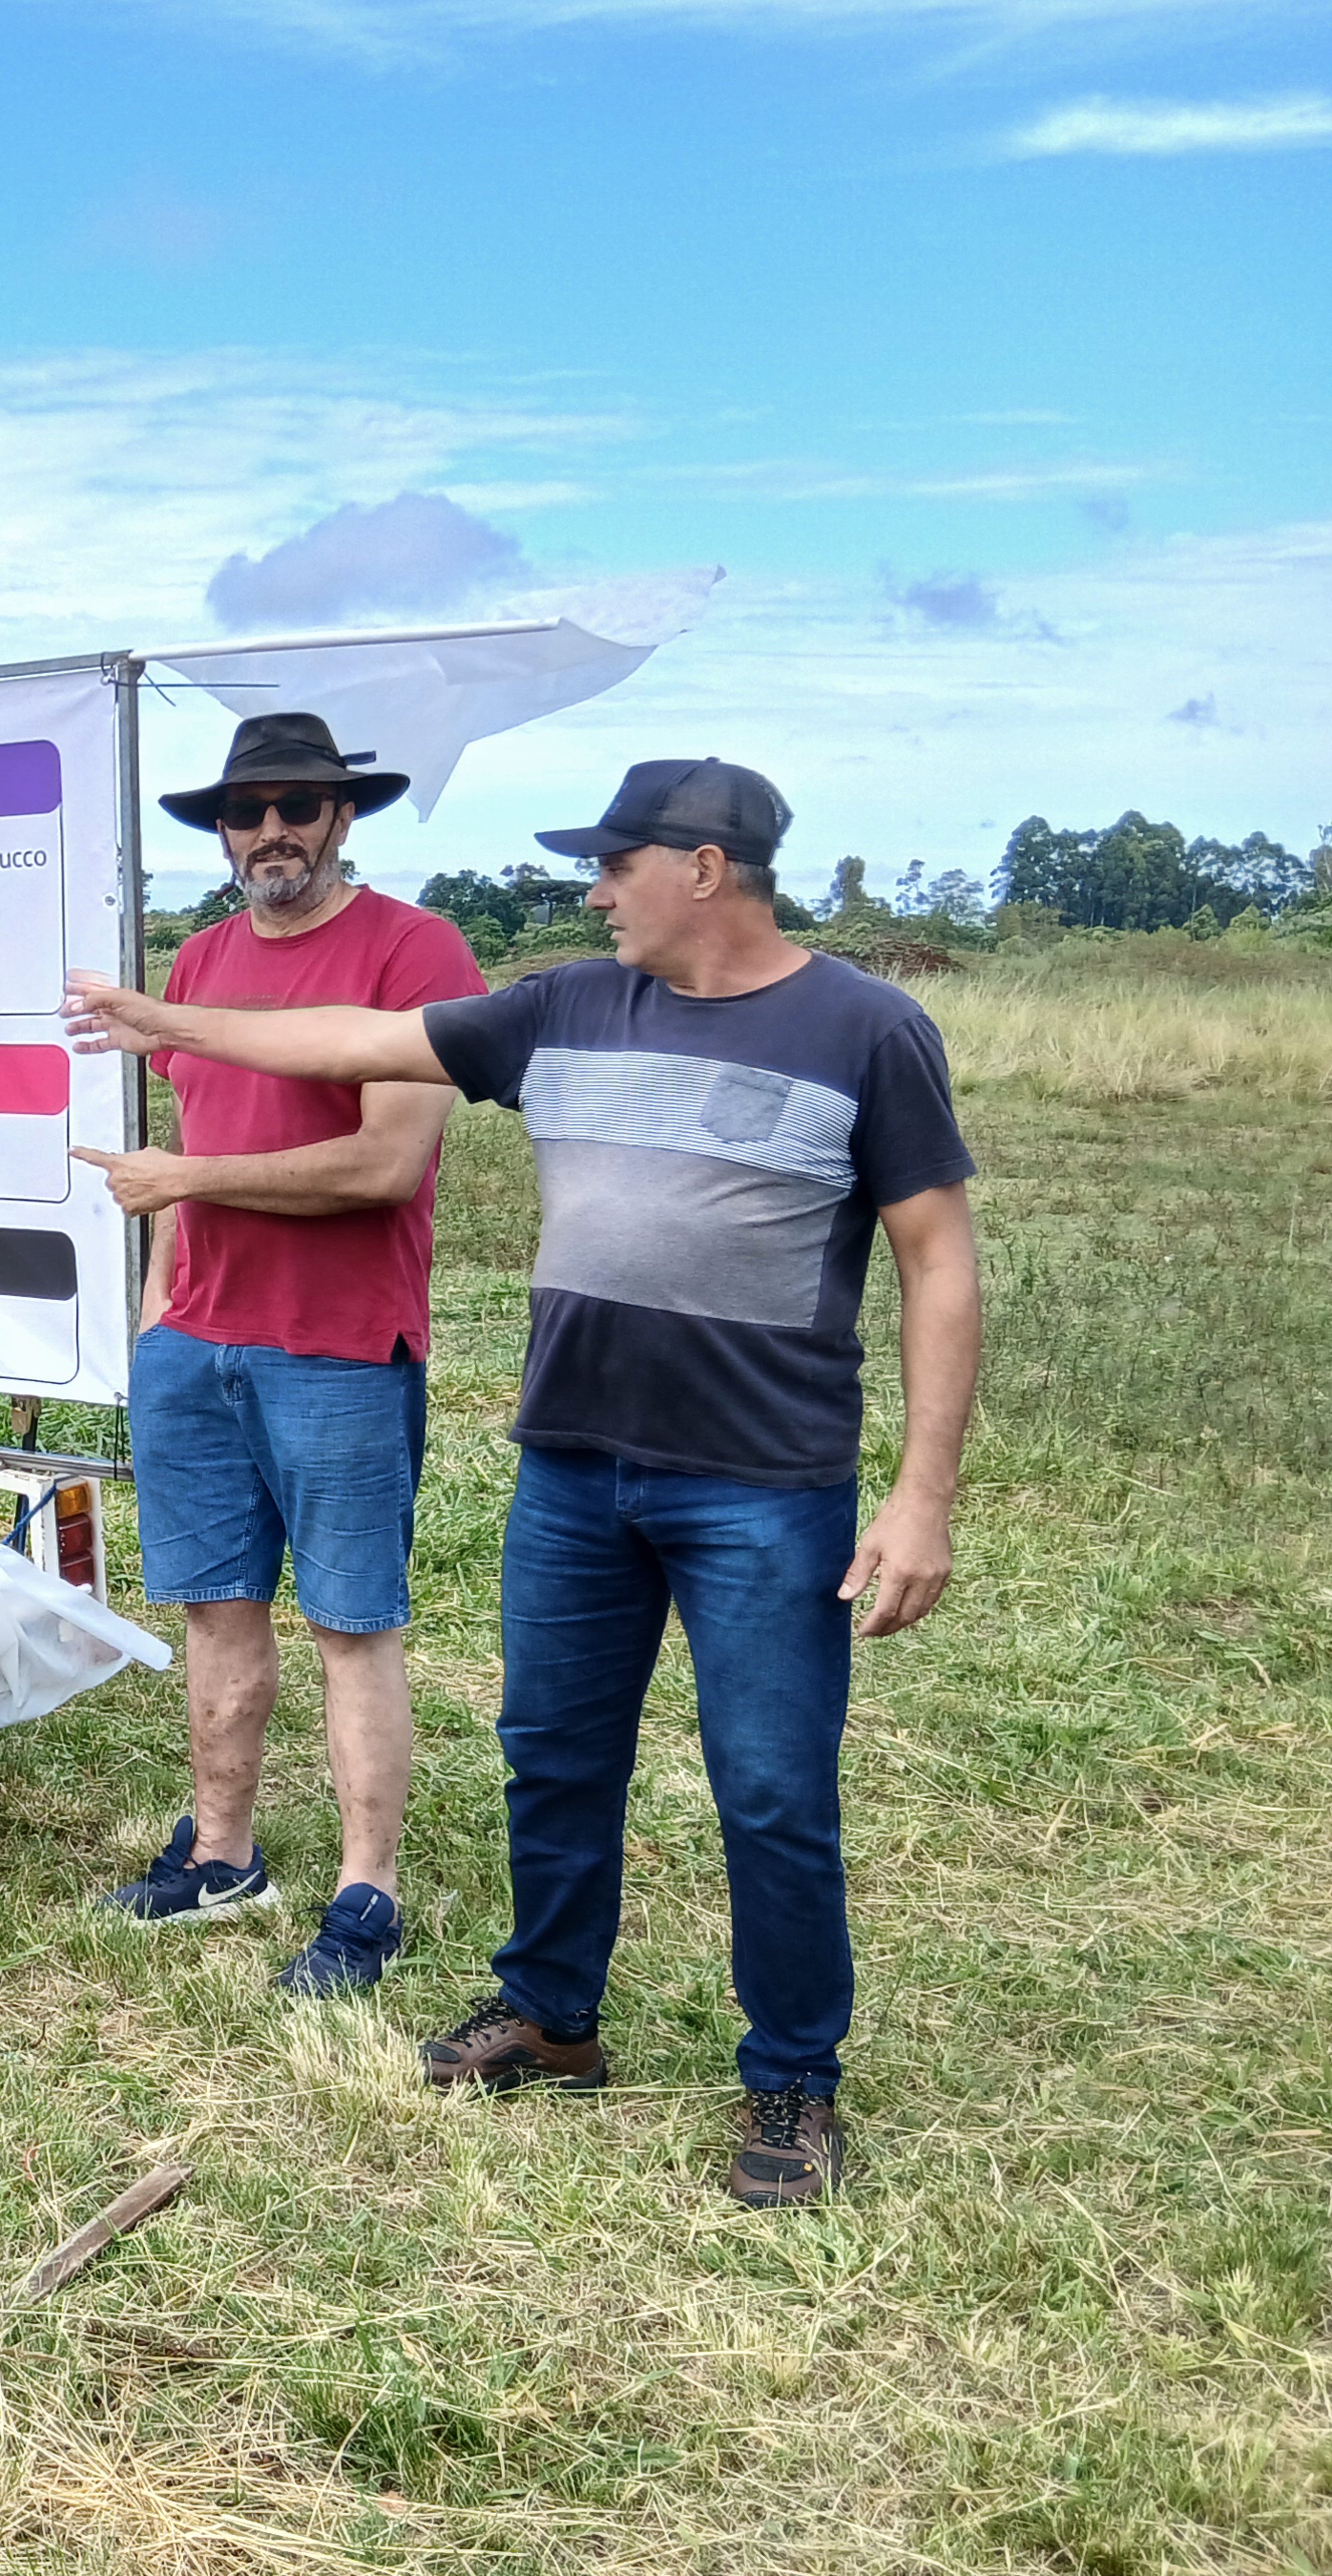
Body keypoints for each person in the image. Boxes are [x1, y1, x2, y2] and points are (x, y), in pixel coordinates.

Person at [63, 759, 981, 2208]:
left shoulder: (867, 1028)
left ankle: (793, 2079)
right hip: (571, 1468)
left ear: (703, 869)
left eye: (614, 867)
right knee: (552, 1755)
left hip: (761, 1482)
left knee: (770, 1790)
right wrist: (162, 1018)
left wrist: (922, 1497)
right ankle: (553, 2015)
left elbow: (938, 1257)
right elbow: (351, 1037)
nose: (595, 893)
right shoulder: (565, 1008)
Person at [73, 713, 489, 1998]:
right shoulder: (198, 961)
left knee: (351, 1623)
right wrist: (159, 1312)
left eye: (298, 806)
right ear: (221, 833)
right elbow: (182, 1165)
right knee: (215, 1608)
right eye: (245, 812)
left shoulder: (415, 950)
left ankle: (368, 1893)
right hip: (195, 1346)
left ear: (343, 818)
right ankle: (221, 1855)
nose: (271, 832)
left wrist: (185, 1181)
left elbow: (384, 1164)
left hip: (340, 1346)